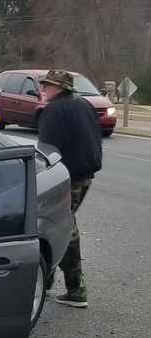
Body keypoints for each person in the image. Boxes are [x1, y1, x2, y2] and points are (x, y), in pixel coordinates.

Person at [38, 69, 102, 308]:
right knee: (60, 224)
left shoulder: (54, 110)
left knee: (63, 226)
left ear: (59, 88)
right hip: (85, 174)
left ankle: (76, 290)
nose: (43, 89)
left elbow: (47, 150)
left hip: (66, 177)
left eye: (47, 85)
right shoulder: (85, 105)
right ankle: (44, 282)